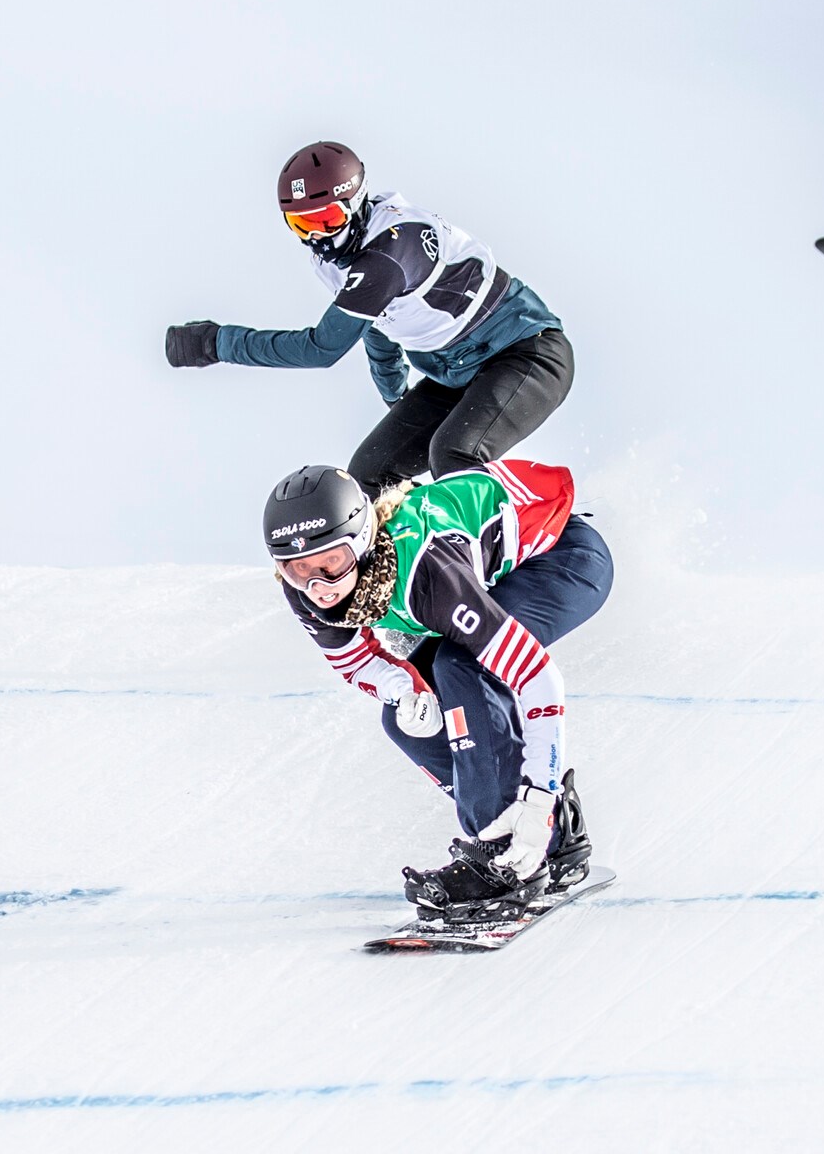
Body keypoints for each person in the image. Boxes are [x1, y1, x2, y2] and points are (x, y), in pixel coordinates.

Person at [263, 458, 613, 915]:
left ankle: (502, 853)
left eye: (332, 563)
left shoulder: (427, 569)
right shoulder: (306, 593)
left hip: (564, 555)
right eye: (297, 569)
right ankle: (551, 840)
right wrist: (404, 692)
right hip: (492, 574)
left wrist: (538, 797)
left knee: (460, 665)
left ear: (363, 542)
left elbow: (538, 678)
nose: (319, 586)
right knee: (405, 723)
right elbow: (355, 661)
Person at [166, 141, 574, 495]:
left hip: (527, 354)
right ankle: (402, 559)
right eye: (301, 225)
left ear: (356, 204)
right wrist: (397, 400)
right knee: (370, 474)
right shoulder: (338, 261)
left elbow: (321, 349)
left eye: (326, 220)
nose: (317, 238)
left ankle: (509, 540)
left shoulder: (388, 252)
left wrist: (215, 343)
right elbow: (379, 330)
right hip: (455, 374)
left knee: (453, 454)